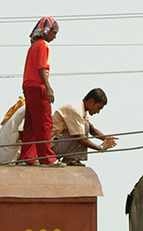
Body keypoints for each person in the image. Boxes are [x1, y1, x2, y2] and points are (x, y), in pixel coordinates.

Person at [19, 17, 61, 166]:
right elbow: (41, 67)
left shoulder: (33, 47)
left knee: (31, 125)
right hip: (38, 87)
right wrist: (48, 87)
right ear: (47, 31)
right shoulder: (43, 45)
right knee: (44, 123)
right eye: (54, 32)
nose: (54, 36)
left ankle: (27, 157)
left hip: (29, 87)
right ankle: (46, 158)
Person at [51, 87, 117, 165]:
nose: (98, 112)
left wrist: (105, 139)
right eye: (98, 108)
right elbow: (80, 138)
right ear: (91, 101)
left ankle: (71, 158)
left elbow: (92, 130)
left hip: (61, 143)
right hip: (53, 145)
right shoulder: (75, 109)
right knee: (83, 126)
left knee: (85, 125)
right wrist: (100, 148)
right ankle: (69, 159)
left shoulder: (82, 110)